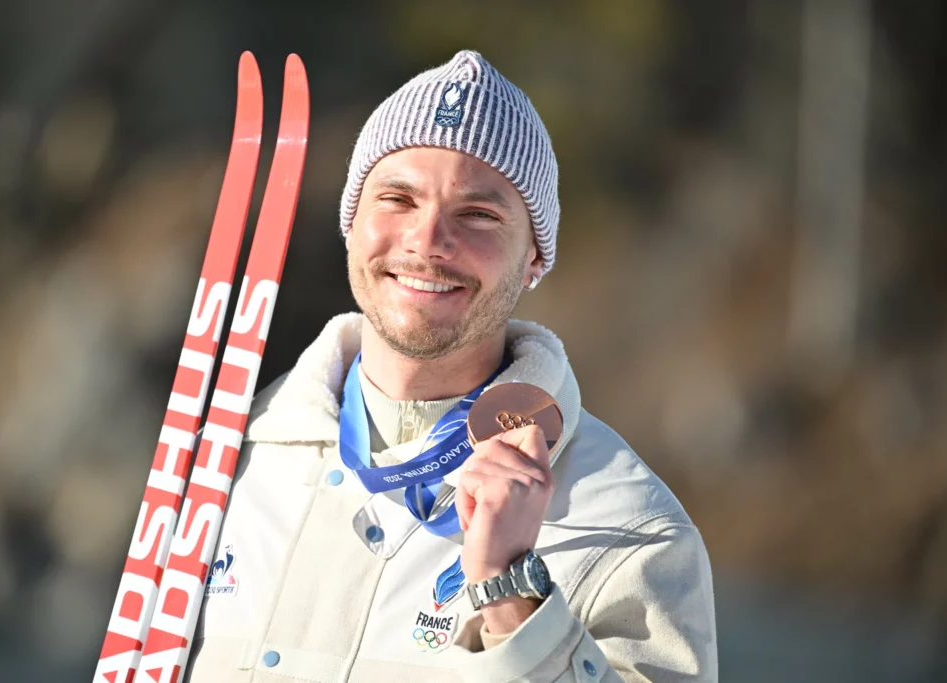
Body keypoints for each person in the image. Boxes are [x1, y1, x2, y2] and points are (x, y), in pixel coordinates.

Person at [185, 49, 717, 683]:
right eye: (398, 198)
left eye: (479, 215)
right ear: (350, 223)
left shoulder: (630, 531)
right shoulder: (227, 460)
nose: (427, 240)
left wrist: (513, 602)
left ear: (534, 261)